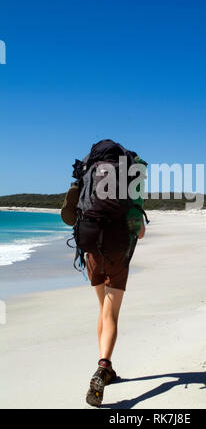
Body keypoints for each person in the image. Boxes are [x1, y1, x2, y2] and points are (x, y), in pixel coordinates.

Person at [61, 140, 148, 407]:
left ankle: (106, 368)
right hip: (118, 250)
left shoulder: (88, 171)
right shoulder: (131, 172)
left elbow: (71, 213)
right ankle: (103, 365)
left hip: (90, 249)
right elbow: (140, 230)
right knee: (110, 313)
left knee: (102, 310)